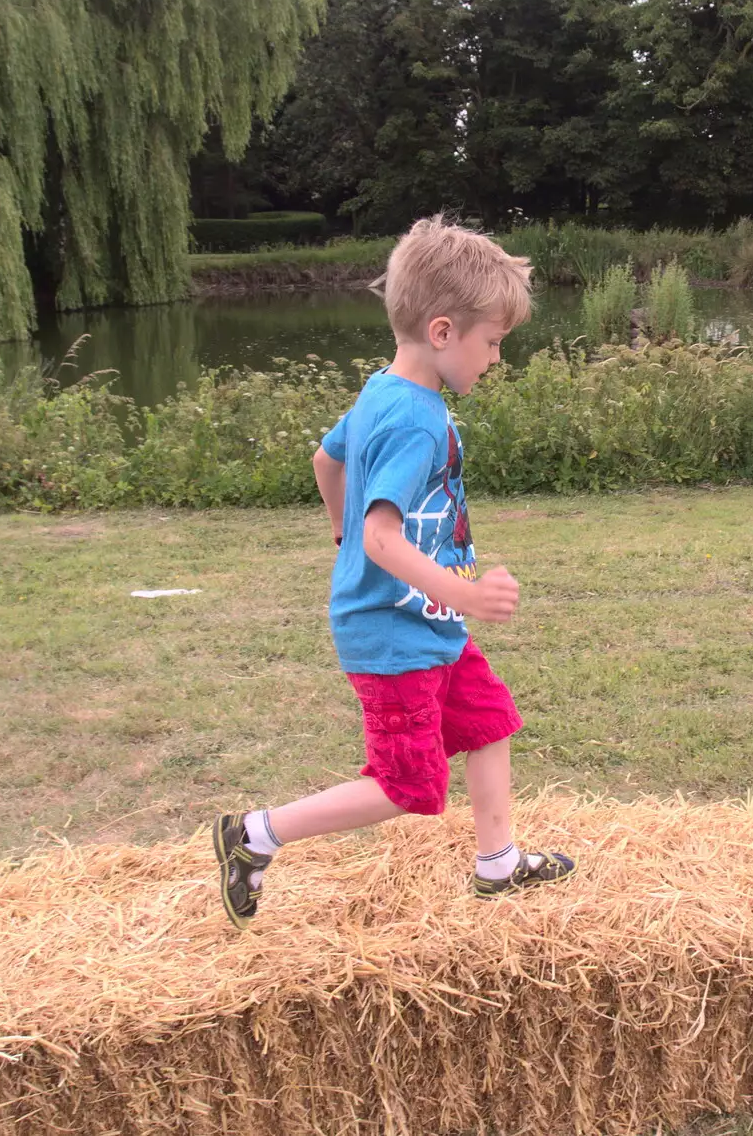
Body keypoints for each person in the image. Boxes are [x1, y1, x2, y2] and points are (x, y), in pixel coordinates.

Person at [211, 217, 575, 929]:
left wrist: (341, 530)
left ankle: (497, 863)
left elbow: (327, 460)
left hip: (427, 624)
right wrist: (463, 591)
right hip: (394, 634)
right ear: (443, 331)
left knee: (490, 720)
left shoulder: (381, 389)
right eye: (493, 342)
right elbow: (382, 538)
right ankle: (254, 835)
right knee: (406, 786)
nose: (497, 359)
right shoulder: (416, 420)